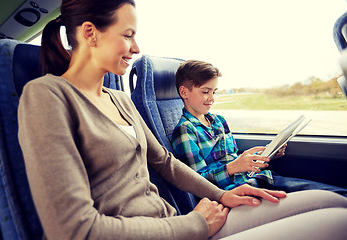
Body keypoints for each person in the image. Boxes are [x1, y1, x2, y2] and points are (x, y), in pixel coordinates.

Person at [17, 1, 347, 239]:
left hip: (175, 226)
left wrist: (221, 196)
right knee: (338, 225)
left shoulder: (119, 100)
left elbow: (166, 162)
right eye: (128, 35)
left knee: (334, 204)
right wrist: (194, 225)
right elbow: (73, 231)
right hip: (175, 230)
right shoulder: (47, 96)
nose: (136, 48)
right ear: (90, 33)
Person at [171, 59, 347, 198]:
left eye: (214, 92)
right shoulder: (185, 131)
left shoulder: (219, 121)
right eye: (205, 91)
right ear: (184, 92)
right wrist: (234, 167)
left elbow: (231, 158)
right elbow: (197, 182)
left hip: (261, 178)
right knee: (330, 200)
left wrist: (260, 157)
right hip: (240, 191)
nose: (211, 98)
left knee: (334, 193)